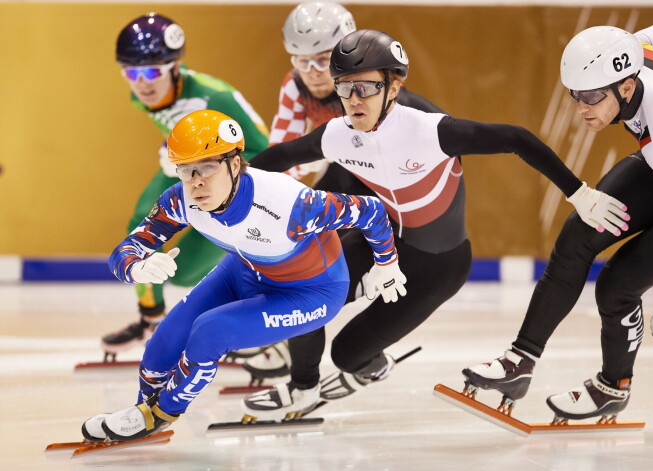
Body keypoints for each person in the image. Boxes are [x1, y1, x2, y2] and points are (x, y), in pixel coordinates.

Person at [242, 29, 630, 420]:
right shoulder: (339, 134)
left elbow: (516, 138)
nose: (354, 100)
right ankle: (303, 385)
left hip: (437, 267)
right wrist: (225, 177)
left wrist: (579, 193)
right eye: (344, 88)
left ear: (393, 87)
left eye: (366, 88)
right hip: (385, 243)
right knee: (301, 292)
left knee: (346, 354)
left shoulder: (429, 129)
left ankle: (369, 365)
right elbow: (279, 157)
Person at [80, 110, 406, 442]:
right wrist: (136, 266)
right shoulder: (181, 199)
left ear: (235, 165)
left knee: (210, 331)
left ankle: (161, 414)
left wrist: (386, 263)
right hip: (247, 269)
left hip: (312, 292)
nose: (197, 181)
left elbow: (372, 211)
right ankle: (142, 408)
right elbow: (125, 250)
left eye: (207, 167)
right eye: (186, 170)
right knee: (163, 342)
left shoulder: (292, 204)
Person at [462, 24, 653, 422]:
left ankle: (613, 386)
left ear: (625, 87)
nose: (581, 107)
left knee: (617, 285)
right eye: (575, 95)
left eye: (591, 97)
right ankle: (520, 361)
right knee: (577, 236)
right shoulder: (631, 48)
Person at [243, 1, 446, 380]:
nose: (312, 73)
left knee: (310, 254)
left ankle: (318, 346)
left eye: (322, 60)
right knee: (291, 247)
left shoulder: (363, 87)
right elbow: (283, 148)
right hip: (339, 164)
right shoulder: (294, 84)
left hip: (382, 179)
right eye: (301, 62)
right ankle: (292, 335)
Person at [101, 13, 269, 359]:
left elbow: (265, 151)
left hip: (235, 173)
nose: (142, 83)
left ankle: (251, 314)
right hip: (186, 162)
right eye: (131, 73)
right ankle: (151, 318)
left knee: (186, 272)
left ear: (176, 67)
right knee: (138, 225)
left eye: (152, 72)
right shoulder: (145, 95)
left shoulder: (215, 96)